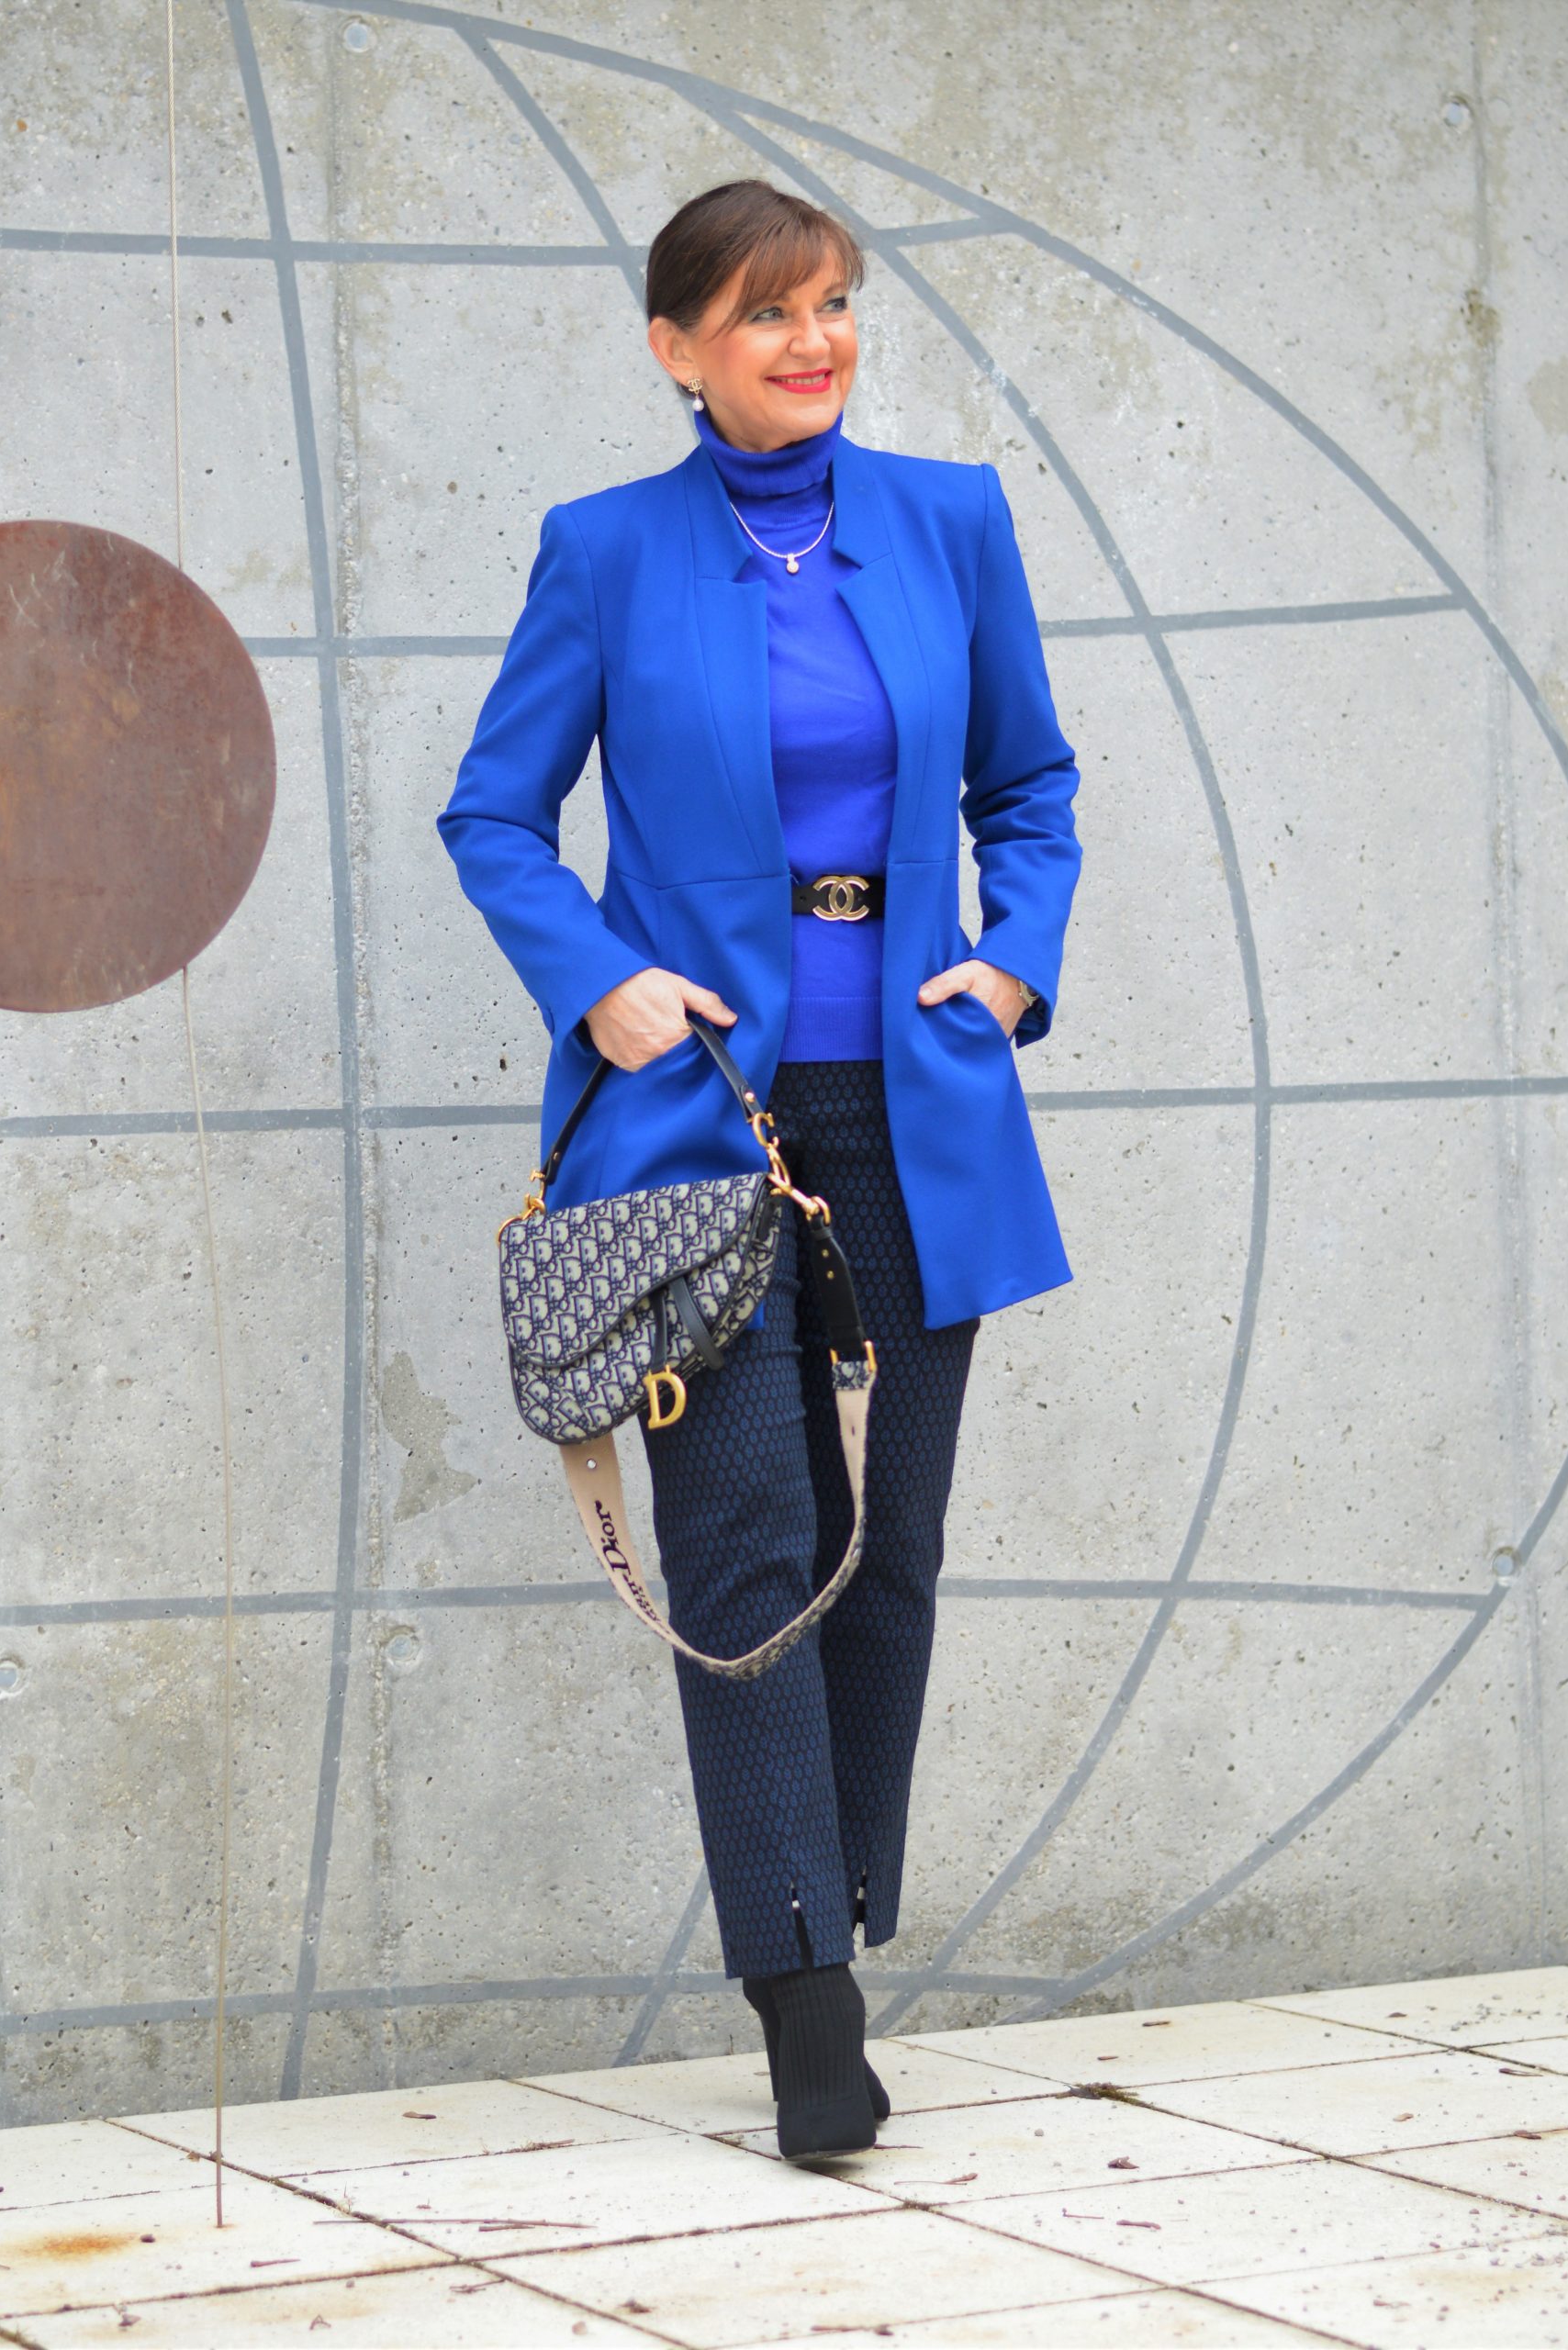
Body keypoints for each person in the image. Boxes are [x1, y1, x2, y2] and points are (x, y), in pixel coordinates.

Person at [437, 179, 1081, 2159]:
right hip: (697, 1120)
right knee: (743, 1548)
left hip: (915, 1104)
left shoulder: (952, 519)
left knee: (889, 1542)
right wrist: (601, 980)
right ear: (677, 348)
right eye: (765, 314)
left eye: (834, 305)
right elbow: (493, 813)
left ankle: (837, 1899)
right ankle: (806, 1998)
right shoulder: (605, 550)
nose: (812, 343)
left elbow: (1029, 785)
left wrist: (1012, 961)